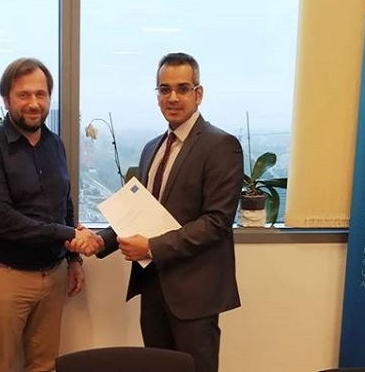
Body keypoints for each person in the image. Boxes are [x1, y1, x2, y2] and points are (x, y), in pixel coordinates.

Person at [70, 52, 243, 372]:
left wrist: (151, 247)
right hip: (152, 288)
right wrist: (101, 240)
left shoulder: (221, 145)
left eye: (182, 88)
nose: (172, 97)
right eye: (165, 89)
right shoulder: (152, 148)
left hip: (194, 294)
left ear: (198, 94)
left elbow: (216, 223)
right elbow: (139, 213)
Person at [0, 57, 101, 372]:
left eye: (41, 94)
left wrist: (73, 259)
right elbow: (3, 220)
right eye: (24, 95)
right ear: (6, 99)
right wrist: (70, 236)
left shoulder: (55, 145)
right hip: (6, 277)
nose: (33, 103)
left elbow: (64, 204)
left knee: (44, 366)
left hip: (53, 275)